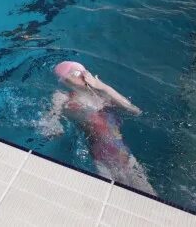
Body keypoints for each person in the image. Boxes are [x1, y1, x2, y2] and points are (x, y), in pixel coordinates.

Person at [40, 61, 153, 194]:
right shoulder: (63, 96)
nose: (82, 76)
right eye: (76, 73)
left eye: (83, 71)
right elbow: (51, 117)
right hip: (100, 154)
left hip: (122, 151)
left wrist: (103, 87)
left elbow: (134, 110)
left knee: (148, 194)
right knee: (113, 194)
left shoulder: (101, 95)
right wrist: (53, 124)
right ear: (64, 80)